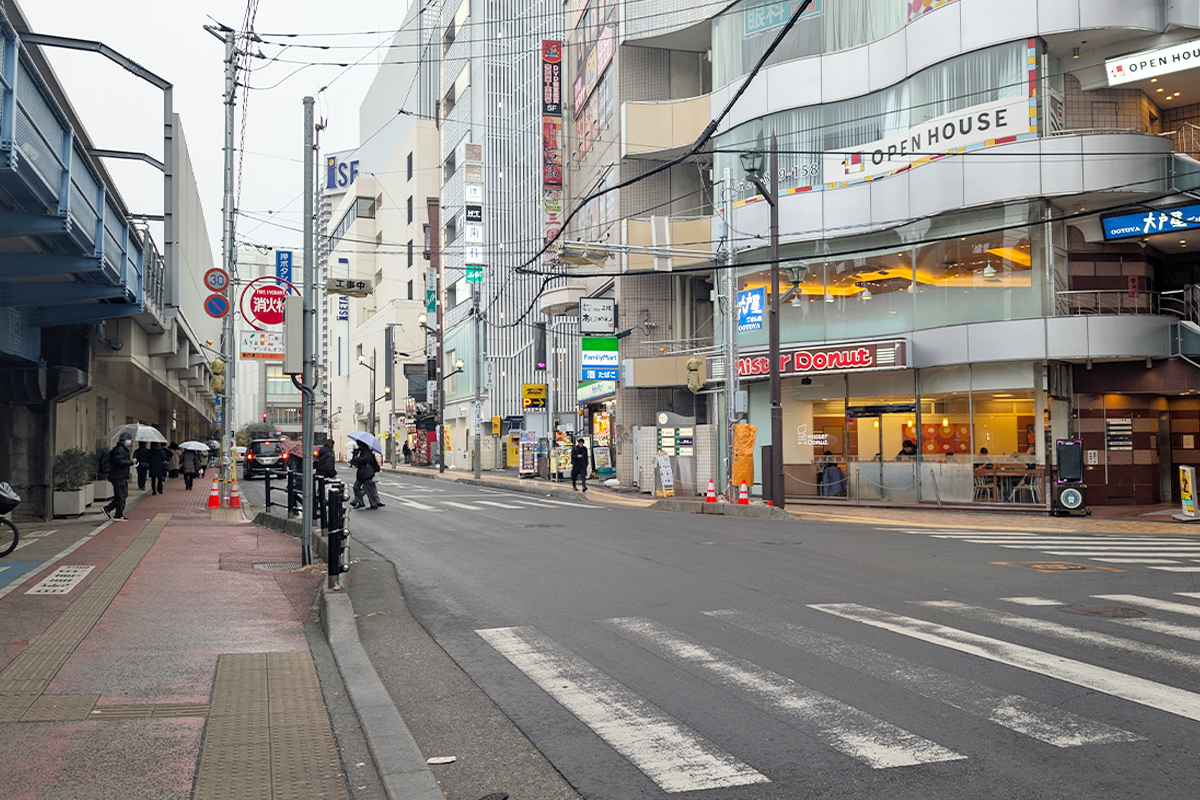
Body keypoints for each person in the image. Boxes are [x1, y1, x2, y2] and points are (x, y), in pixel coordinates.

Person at [102, 433, 134, 520]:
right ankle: (118, 514)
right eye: (129, 440)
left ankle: (109, 509)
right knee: (121, 496)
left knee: (122, 495)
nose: (130, 442)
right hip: (118, 476)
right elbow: (119, 462)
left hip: (121, 475)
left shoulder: (121, 449)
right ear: (125, 440)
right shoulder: (119, 450)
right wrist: (131, 462)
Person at [349, 441, 383, 509]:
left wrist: (357, 459)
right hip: (362, 473)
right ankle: (360, 502)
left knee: (368, 489)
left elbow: (366, 459)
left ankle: (373, 504)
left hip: (366, 473)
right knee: (356, 487)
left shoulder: (367, 452)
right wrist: (355, 457)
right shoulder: (360, 452)